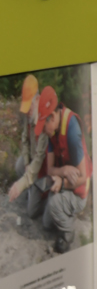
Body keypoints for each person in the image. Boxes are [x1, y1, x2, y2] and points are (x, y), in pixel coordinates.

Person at [30, 85, 90, 253]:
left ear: (53, 117)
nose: (42, 129)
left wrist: (61, 184)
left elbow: (83, 177)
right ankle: (64, 212)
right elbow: (50, 169)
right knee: (47, 224)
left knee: (55, 203)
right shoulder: (52, 131)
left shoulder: (72, 131)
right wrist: (62, 172)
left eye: (43, 124)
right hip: (65, 181)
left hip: (78, 191)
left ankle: (68, 232)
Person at [7, 75, 49, 209]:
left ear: (37, 100)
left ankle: (43, 194)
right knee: (19, 165)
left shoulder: (45, 121)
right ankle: (30, 186)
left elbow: (39, 159)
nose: (27, 111)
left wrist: (20, 184)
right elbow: (24, 140)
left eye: (29, 106)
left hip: (43, 167)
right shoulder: (29, 116)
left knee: (31, 211)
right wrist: (26, 163)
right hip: (32, 161)